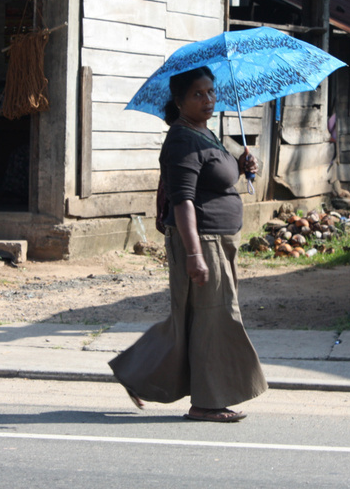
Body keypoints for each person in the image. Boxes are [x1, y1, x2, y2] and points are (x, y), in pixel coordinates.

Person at [109, 66, 267, 423]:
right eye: (198, 94)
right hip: (202, 241)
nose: (208, 99)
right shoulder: (181, 139)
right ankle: (206, 403)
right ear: (179, 101)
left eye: (211, 92)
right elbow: (183, 201)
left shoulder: (205, 132)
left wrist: (240, 166)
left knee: (193, 319)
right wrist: (195, 254)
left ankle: (139, 374)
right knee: (216, 318)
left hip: (219, 240)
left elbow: (213, 178)